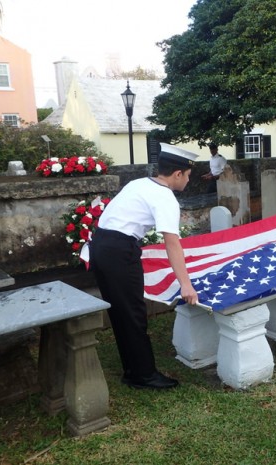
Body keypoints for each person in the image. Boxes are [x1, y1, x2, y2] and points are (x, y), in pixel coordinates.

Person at [89, 143, 199, 390]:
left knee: (121, 311)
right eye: (188, 175)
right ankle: (144, 375)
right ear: (177, 173)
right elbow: (172, 243)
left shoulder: (139, 183)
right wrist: (186, 284)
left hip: (101, 244)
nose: (188, 180)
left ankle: (132, 370)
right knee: (133, 313)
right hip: (118, 251)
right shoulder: (165, 198)